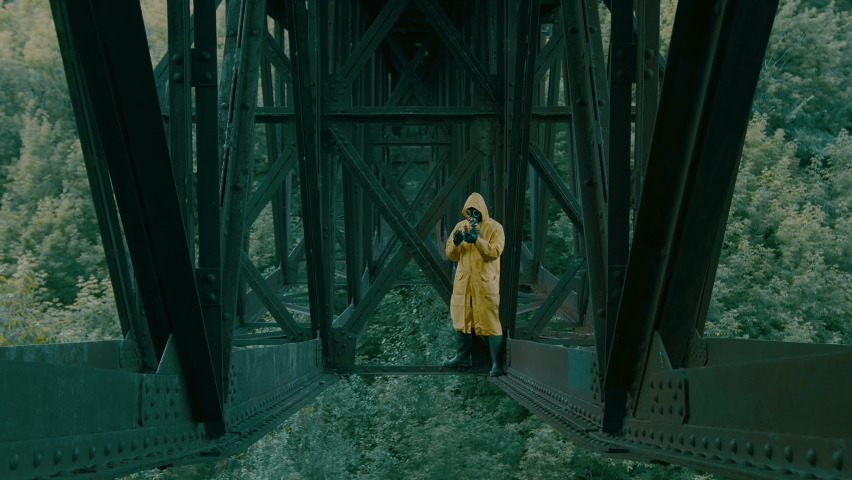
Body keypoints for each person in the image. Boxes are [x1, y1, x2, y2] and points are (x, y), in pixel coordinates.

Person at [443, 192, 506, 376]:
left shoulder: (495, 228)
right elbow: (451, 255)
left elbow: (494, 252)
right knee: (461, 319)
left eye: (475, 211)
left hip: (485, 284)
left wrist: (477, 240)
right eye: (469, 211)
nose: (472, 215)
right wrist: (456, 243)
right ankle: (461, 356)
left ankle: (497, 364)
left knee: (490, 321)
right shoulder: (460, 227)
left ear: (482, 211)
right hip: (465, 284)